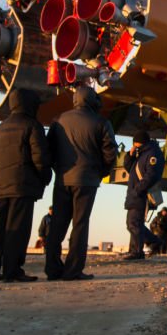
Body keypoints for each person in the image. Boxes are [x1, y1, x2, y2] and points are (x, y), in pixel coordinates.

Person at [44, 85, 117, 280]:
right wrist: (101, 172)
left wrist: (58, 169)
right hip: (87, 180)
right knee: (80, 224)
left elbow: (48, 150)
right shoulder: (101, 122)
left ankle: (52, 269)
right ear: (92, 100)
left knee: (58, 225)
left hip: (63, 179)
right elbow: (111, 152)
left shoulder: (59, 120)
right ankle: (73, 270)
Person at [0, 88, 50, 283]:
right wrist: (45, 177)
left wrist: (1, 176)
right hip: (23, 186)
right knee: (18, 230)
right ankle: (12, 270)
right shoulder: (32, 125)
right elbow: (40, 158)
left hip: (2, 185)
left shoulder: (0, 127)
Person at [123, 130, 165, 261]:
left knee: (133, 223)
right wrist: (130, 156)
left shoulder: (152, 154)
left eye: (135, 143)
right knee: (134, 224)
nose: (133, 145)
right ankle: (151, 243)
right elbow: (129, 168)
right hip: (135, 193)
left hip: (141, 194)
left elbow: (152, 175)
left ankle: (137, 252)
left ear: (139, 142)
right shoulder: (141, 154)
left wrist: (138, 190)